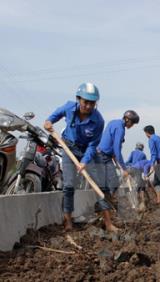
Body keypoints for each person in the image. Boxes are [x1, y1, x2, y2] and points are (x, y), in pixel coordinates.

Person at [44, 82, 105, 231]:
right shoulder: (69, 107)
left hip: (86, 151)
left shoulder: (98, 120)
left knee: (98, 184)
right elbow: (54, 116)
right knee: (69, 185)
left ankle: (108, 222)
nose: (89, 106)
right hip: (68, 148)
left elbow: (92, 145)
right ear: (79, 99)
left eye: (92, 103)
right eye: (86, 102)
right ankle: (68, 220)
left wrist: (84, 161)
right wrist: (49, 122)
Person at [96, 109, 139, 205]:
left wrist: (114, 156)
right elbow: (117, 149)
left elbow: (109, 142)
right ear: (127, 120)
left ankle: (108, 201)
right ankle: (105, 203)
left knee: (111, 181)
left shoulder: (113, 122)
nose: (132, 126)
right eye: (132, 123)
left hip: (105, 155)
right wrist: (124, 168)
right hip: (102, 156)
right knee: (112, 181)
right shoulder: (120, 128)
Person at [143, 125, 160, 204]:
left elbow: (153, 154)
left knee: (157, 182)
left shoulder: (151, 139)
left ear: (147, 133)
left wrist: (152, 165)